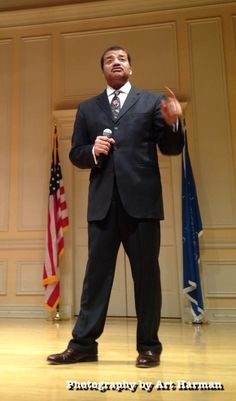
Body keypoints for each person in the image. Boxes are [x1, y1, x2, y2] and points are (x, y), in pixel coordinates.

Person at [47, 45, 184, 368]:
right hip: (103, 207)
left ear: (130, 68)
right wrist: (92, 150)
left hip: (142, 206)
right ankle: (83, 345)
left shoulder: (151, 102)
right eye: (109, 60)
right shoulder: (88, 109)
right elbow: (76, 154)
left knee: (147, 277)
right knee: (96, 278)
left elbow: (171, 148)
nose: (116, 62)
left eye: (121, 59)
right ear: (104, 70)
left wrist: (174, 123)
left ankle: (149, 347)